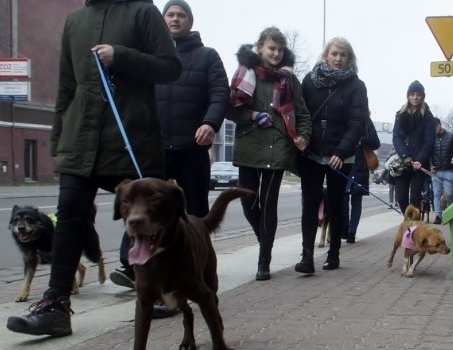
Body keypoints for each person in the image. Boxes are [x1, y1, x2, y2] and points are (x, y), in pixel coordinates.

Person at [6, 0, 181, 337]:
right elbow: (66, 86)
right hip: (80, 138)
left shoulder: (142, 11)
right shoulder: (76, 20)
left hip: (130, 135)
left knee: (153, 216)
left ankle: (165, 287)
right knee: (70, 214)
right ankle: (56, 306)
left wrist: (122, 56)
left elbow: (171, 67)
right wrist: (58, 140)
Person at [109, 0, 229, 320]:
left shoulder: (208, 56)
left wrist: (210, 123)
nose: (175, 19)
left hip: (192, 147)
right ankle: (139, 269)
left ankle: (199, 277)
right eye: (170, 15)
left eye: (181, 15)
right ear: (162, 21)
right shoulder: (150, 56)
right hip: (155, 147)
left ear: (190, 21)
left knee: (195, 217)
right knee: (143, 209)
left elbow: (220, 94)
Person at [226, 26, 311, 280]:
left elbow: (303, 113)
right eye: (271, 48)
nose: (275, 53)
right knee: (248, 203)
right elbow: (231, 110)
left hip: (279, 148)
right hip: (249, 147)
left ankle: (264, 259)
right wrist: (252, 115)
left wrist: (303, 136)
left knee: (269, 204)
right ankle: (265, 239)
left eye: (279, 49)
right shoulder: (245, 74)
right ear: (260, 47)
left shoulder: (289, 80)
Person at [295, 36, 368, 274]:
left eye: (343, 55)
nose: (338, 59)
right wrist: (302, 138)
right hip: (312, 152)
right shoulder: (309, 80)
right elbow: (301, 113)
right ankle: (306, 256)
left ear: (349, 58)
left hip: (341, 155)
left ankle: (333, 253)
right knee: (310, 203)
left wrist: (342, 151)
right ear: (326, 54)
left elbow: (357, 122)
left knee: (336, 204)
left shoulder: (356, 86)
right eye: (334, 53)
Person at [391, 80, 436, 215]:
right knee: (401, 196)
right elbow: (396, 137)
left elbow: (430, 141)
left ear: (422, 97)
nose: (415, 97)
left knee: (415, 198)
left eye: (418, 95)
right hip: (404, 162)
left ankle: (415, 227)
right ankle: (408, 221)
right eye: (412, 94)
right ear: (408, 96)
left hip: (419, 164)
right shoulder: (400, 114)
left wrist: (420, 160)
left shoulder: (427, 116)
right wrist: (405, 156)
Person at [343, 116, 381, 243]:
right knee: (341, 198)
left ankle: (351, 232)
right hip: (343, 162)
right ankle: (345, 228)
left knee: (356, 200)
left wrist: (362, 140)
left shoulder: (366, 121)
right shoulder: (342, 115)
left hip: (360, 166)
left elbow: (376, 142)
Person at [429, 117, 453, 224]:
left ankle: (450, 213)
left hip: (449, 170)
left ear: (440, 124)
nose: (434, 129)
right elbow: (428, 153)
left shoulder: (451, 135)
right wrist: (431, 165)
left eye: (435, 126)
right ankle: (438, 216)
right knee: (436, 194)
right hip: (436, 171)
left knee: (449, 193)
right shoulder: (431, 138)